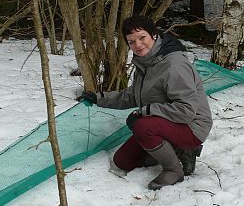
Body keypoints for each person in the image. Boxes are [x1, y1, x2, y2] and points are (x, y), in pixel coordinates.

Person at [79, 15, 212, 190]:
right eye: (131, 42)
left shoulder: (174, 65)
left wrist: (146, 111)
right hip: (168, 123)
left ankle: (173, 170)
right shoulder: (145, 64)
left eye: (142, 37)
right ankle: (180, 150)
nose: (138, 45)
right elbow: (133, 95)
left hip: (192, 126)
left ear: (154, 35)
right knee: (123, 161)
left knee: (142, 126)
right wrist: (99, 98)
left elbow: (186, 110)